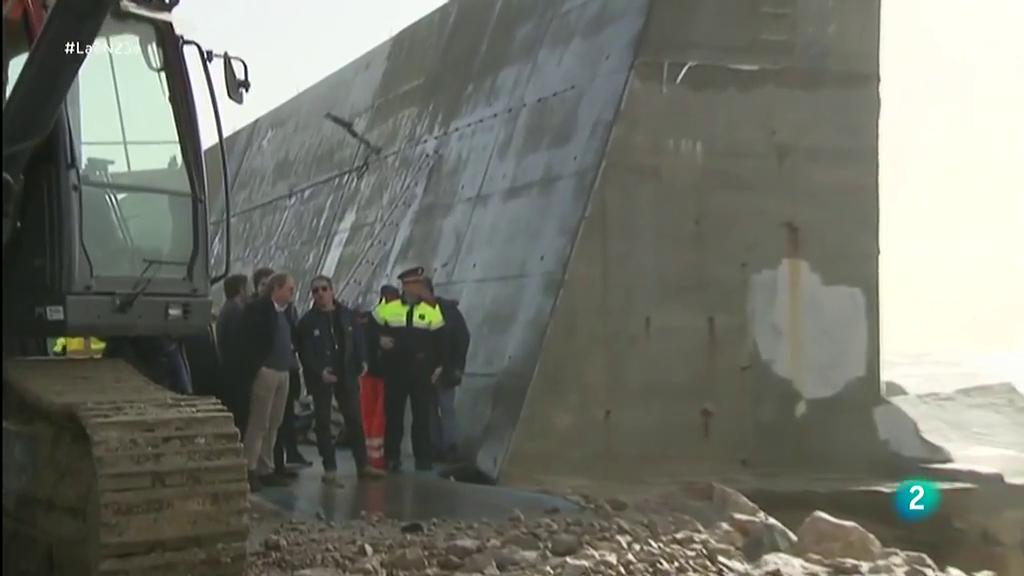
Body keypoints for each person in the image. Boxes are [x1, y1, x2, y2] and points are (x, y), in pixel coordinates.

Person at [295, 275, 385, 483]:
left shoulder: (347, 315)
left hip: (347, 374)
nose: (320, 294)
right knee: (323, 422)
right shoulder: (308, 322)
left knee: (354, 419)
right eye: (316, 291)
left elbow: (358, 340)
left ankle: (363, 465)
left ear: (332, 290)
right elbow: (305, 353)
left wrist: (362, 361)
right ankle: (330, 468)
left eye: (324, 289)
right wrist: (320, 372)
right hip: (322, 378)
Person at [374, 266, 448, 472]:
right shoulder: (389, 307)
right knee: (394, 416)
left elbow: (441, 340)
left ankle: (423, 458)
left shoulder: (430, 310)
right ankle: (392, 457)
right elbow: (369, 329)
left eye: (420, 283)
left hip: (421, 371)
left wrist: (439, 366)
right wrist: (380, 340)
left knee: (422, 417)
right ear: (405, 286)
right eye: (414, 283)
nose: (418, 287)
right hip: (395, 369)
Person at [239, 272, 297, 492]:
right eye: (289, 289)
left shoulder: (286, 312)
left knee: (274, 423)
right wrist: (258, 366)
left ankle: (266, 468)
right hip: (267, 372)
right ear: (276, 289)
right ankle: (249, 468)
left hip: (283, 371)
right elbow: (247, 340)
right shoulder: (257, 310)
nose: (292, 293)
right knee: (259, 422)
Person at [424, 277, 470, 463]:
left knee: (446, 408)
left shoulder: (449, 312)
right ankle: (435, 447)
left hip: (446, 369)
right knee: (430, 410)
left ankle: (450, 447)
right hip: (425, 370)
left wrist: (455, 366)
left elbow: (462, 338)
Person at [216, 273, 250, 429]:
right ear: (241, 289)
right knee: (240, 415)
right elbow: (239, 344)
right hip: (236, 373)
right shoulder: (235, 312)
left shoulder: (228, 309)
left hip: (229, 370)